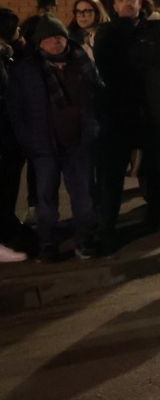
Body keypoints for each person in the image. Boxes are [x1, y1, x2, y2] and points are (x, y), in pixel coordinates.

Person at [93, 0, 160, 238]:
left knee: (158, 170)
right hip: (118, 114)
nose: (126, 2)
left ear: (141, 2)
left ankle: (158, 219)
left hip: (153, 113)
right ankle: (106, 228)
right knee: (112, 174)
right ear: (113, 7)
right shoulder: (107, 34)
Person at [10, 16, 104, 260]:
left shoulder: (82, 62)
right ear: (40, 43)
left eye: (60, 36)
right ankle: (47, 244)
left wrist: (92, 129)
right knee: (46, 199)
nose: (56, 42)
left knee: (84, 196)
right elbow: (16, 110)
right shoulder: (27, 69)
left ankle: (85, 240)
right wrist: (29, 142)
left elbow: (97, 97)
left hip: (79, 143)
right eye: (50, 38)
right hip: (45, 146)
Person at [0, 8, 32, 258]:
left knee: (10, 184)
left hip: (11, 134)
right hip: (4, 133)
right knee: (5, 184)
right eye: (16, 28)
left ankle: (8, 226)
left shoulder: (9, 54)